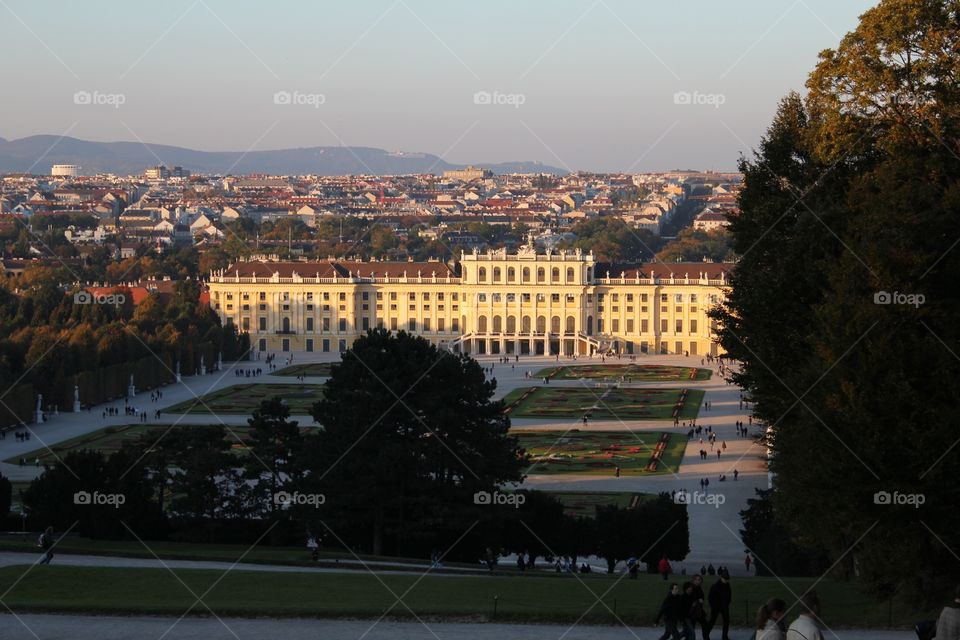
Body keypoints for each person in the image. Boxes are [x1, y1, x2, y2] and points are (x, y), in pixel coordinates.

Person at [706, 569, 732, 640]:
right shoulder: (715, 586)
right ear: (721, 577)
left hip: (724, 606)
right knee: (712, 621)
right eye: (724, 579)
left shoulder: (727, 585)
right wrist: (713, 606)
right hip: (716, 607)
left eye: (726, 579)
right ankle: (706, 634)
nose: (726, 580)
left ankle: (724, 636)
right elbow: (710, 597)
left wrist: (727, 602)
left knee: (726, 621)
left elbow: (729, 595)